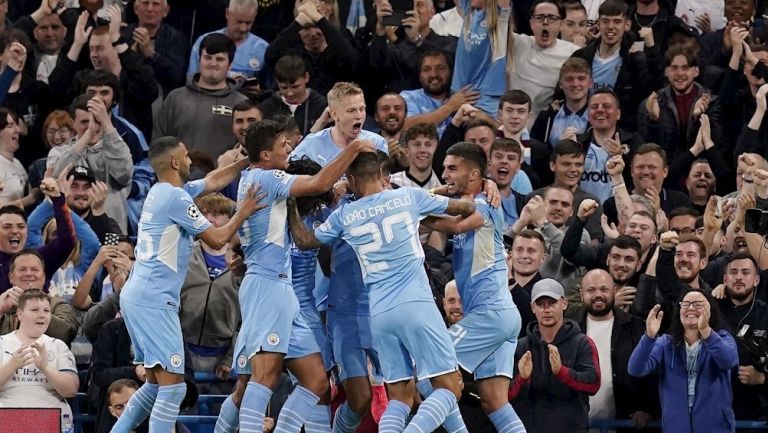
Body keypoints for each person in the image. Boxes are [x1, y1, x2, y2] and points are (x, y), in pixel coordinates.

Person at [288, 150, 475, 433]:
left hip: (378, 313)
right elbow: (464, 209)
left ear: (350, 179)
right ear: (381, 175)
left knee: (399, 398)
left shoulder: (345, 215)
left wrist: (288, 202)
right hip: (415, 305)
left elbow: (304, 240)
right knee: (450, 389)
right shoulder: (408, 198)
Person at [219, 121, 373, 433]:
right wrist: (354, 147)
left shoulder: (257, 177)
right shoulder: (267, 176)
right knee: (265, 376)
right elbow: (318, 183)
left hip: (282, 288)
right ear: (265, 154)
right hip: (267, 286)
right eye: (283, 146)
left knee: (317, 381)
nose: (290, 149)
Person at [108, 136, 263, 433]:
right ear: (176, 162)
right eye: (187, 157)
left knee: (155, 385)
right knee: (173, 389)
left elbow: (214, 179)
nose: (191, 161)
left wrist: (246, 161)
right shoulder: (176, 198)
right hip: (154, 298)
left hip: (139, 295)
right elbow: (218, 239)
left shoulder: (163, 192)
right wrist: (243, 210)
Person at [423, 142, 525, 433]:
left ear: (474, 173)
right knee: (494, 401)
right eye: (444, 168)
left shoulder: (486, 203)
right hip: (498, 316)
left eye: (452, 168)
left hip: (490, 314)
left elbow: (455, 226)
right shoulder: (478, 198)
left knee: (429, 373)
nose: (445, 173)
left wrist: (413, 211)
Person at [628, 290, 738, 433]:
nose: (691, 308)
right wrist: (649, 337)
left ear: (710, 309)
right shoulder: (666, 343)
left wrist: (706, 331)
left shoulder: (723, 338)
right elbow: (635, 369)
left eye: (698, 304)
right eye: (685, 304)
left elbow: (729, 361)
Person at [509, 278, 600, 433]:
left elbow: (593, 384)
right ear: (532, 307)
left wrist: (561, 371)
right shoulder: (520, 346)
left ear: (564, 303)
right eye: (540, 304)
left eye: (552, 303)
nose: (546, 309)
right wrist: (522, 379)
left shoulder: (582, 343)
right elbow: (506, 395)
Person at [573, 269, 656, 430]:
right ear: (581, 294)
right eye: (591, 290)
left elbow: (652, 371)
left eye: (604, 289)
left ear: (614, 291)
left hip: (626, 423)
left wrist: (647, 407)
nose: (598, 295)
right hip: (578, 424)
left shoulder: (636, 327)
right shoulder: (570, 330)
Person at [156, 33, 249, 161]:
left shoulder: (242, 103)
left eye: (220, 59)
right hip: (178, 178)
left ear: (230, 64)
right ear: (199, 59)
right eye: (208, 57)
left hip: (225, 179)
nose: (213, 63)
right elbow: (159, 144)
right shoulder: (176, 98)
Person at [0, 289, 79, 430]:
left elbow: (71, 390)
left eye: (46, 311)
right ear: (19, 314)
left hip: (51, 417)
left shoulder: (58, 345)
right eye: (35, 310)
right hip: (7, 416)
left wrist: (45, 368)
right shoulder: (2, 343)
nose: (41, 315)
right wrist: (12, 365)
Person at [507, 0, 579, 118]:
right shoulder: (517, 43)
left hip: (544, 125)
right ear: (531, 23)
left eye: (552, 18)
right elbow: (500, 21)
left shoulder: (574, 52)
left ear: (561, 24)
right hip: (512, 121)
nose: (545, 22)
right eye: (540, 17)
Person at [187, 0, 268, 84]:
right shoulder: (204, 42)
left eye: (248, 23)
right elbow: (191, 80)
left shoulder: (263, 49)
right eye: (239, 22)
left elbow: (270, 87)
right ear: (227, 13)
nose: (243, 28)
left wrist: (260, 91)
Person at [122, 0, 188, 96]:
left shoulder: (175, 38)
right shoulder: (123, 35)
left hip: (162, 99)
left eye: (155, 4)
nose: (150, 9)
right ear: (135, 9)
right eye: (145, 3)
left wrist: (151, 54)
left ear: (165, 11)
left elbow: (175, 76)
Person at [258, 54, 327, 136]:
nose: (290, 93)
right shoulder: (267, 108)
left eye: (295, 87)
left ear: (306, 77)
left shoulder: (321, 106)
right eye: (284, 88)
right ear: (277, 82)